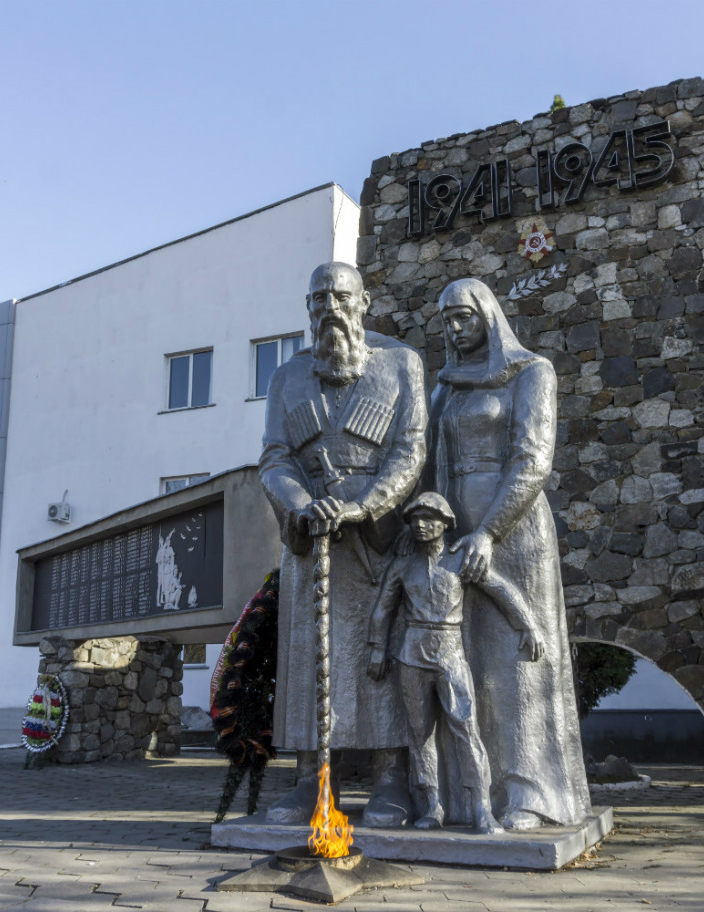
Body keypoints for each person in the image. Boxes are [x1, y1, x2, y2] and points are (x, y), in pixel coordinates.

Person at [259, 261, 428, 826]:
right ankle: (310, 784)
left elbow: (410, 451)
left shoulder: (402, 364)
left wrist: (366, 506)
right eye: (318, 298)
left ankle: (390, 782)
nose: (329, 307)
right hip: (311, 539)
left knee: (382, 656)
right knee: (312, 658)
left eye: (340, 295)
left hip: (378, 537)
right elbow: (275, 458)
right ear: (308, 309)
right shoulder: (286, 377)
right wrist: (300, 506)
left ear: (364, 301)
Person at [428, 277, 592, 829]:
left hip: (513, 529)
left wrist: (489, 533)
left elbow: (533, 460)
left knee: (516, 663)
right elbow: (431, 464)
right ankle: (471, 794)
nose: (455, 328)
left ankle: (529, 793)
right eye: (447, 319)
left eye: (465, 316)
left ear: (489, 316)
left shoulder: (530, 372)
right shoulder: (445, 387)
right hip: (452, 529)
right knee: (464, 662)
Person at [367, 492, 542, 834]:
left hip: (450, 655)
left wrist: (528, 625)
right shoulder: (402, 567)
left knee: (466, 730)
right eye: (415, 519)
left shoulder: (461, 560)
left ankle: (481, 809)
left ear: (445, 524)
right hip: (411, 655)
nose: (420, 525)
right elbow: (382, 610)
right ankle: (431, 806)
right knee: (419, 736)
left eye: (429, 519)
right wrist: (376, 649)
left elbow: (501, 590)